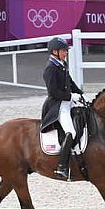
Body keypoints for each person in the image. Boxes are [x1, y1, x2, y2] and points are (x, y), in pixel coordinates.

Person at [40, 37, 86, 179]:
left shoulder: (61, 64)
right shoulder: (50, 69)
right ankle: (62, 166)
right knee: (70, 132)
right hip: (57, 105)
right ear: (55, 51)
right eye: (64, 50)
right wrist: (70, 97)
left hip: (67, 101)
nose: (66, 53)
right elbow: (53, 92)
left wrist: (80, 94)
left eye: (66, 50)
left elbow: (70, 82)